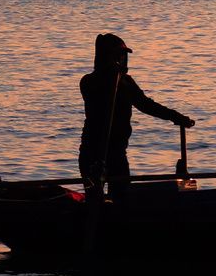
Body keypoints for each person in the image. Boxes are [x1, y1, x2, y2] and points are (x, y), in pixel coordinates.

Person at [79, 33, 194, 197]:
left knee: (120, 198)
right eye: (119, 55)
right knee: (94, 198)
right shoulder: (89, 82)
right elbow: (100, 95)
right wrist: (112, 75)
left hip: (117, 152)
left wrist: (176, 117)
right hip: (93, 152)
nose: (122, 59)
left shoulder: (127, 82)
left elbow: (146, 104)